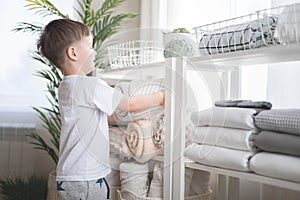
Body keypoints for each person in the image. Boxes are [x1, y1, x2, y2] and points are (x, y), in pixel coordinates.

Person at [37, 19, 165, 200]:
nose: (94, 51)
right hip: (87, 178)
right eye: (89, 46)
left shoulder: (65, 87)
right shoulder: (91, 86)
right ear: (73, 53)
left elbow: (102, 117)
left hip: (69, 175)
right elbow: (130, 104)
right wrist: (160, 97)